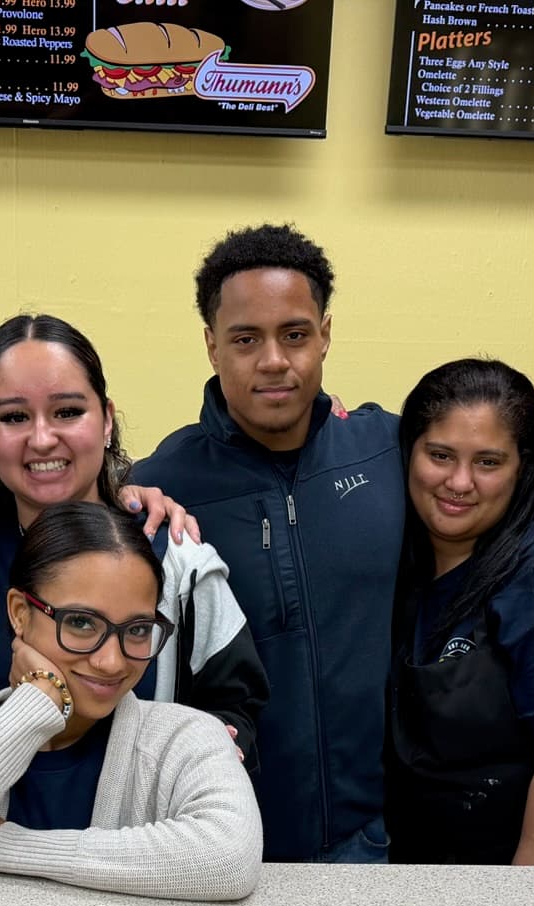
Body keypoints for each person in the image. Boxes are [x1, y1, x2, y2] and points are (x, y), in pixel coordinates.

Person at [134, 224, 406, 864]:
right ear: (211, 346)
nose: (274, 360)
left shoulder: (389, 450)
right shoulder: (161, 485)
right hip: (215, 837)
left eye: (295, 334)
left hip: (374, 838)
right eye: (246, 339)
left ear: (326, 334)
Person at [0, 503, 261, 900]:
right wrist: (37, 700)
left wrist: (4, 842)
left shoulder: (187, 740)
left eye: (138, 629)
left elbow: (229, 861)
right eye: (81, 623)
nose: (111, 661)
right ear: (19, 613)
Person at [0, 314, 267, 761]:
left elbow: (237, 708)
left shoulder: (174, 558)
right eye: (14, 417)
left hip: (127, 831)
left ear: (106, 420)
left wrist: (211, 753)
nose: (42, 438)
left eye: (68, 412)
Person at [388, 360, 534, 865]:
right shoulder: (395, 551)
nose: (459, 481)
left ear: (524, 467)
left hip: (508, 870)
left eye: (488, 462)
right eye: (440, 455)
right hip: (408, 865)